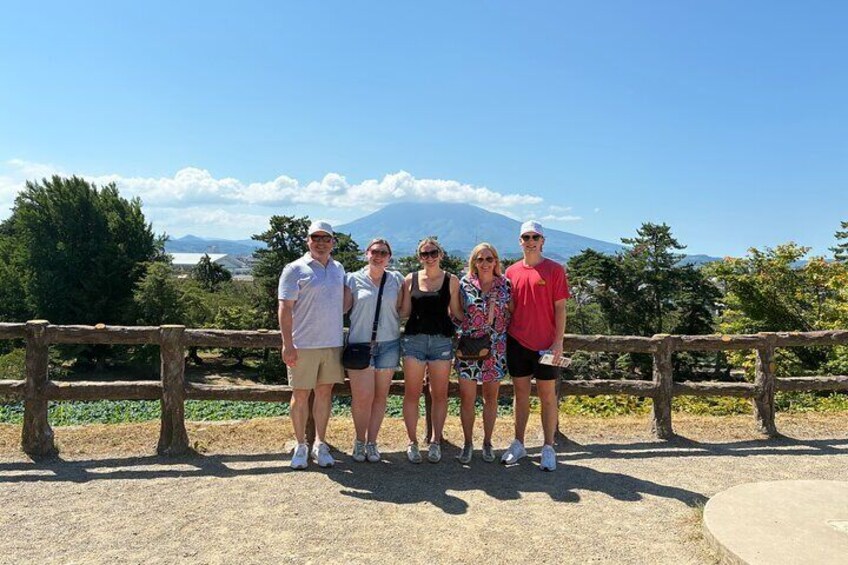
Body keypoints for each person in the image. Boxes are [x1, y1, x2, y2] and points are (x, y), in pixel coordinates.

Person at [278, 220, 347, 470]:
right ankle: (300, 445)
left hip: (332, 342)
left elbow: (343, 302)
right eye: (316, 238)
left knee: (324, 394)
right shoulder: (294, 269)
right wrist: (288, 343)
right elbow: (284, 308)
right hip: (303, 344)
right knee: (300, 395)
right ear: (308, 241)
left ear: (333, 242)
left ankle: (320, 443)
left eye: (326, 238)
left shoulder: (338, 268)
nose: (321, 243)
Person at [502, 221, 570, 472]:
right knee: (520, 395)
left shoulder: (555, 270)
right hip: (517, 341)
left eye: (535, 237)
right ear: (520, 241)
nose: (530, 241)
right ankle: (518, 443)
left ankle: (548, 447)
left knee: (547, 397)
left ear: (542, 241)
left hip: (546, 345)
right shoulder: (511, 272)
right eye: (526, 237)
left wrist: (558, 342)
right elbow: (510, 307)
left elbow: (560, 308)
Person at [400, 238, 463, 464]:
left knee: (440, 395)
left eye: (433, 252)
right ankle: (412, 441)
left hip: (441, 341)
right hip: (414, 340)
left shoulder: (451, 280)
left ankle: (436, 441)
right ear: (419, 257)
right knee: (411, 394)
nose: (429, 257)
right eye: (425, 254)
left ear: (440, 254)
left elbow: (456, 312)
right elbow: (404, 311)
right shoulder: (410, 279)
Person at [344, 238, 405, 463]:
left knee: (380, 397)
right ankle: (360, 441)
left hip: (389, 343)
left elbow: (403, 309)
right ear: (366, 253)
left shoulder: (397, 280)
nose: (378, 256)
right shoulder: (352, 279)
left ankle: (372, 442)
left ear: (389, 257)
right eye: (375, 251)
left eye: (383, 253)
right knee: (362, 397)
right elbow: (341, 308)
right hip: (360, 345)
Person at [455, 243, 511, 464]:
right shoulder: (464, 285)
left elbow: (514, 313)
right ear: (474, 262)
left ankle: (487, 442)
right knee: (467, 398)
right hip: (469, 347)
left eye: (489, 259)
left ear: (496, 261)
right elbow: (455, 313)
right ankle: (468, 443)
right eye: (480, 259)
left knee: (491, 398)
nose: (485, 263)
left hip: (496, 348)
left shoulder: (505, 285)